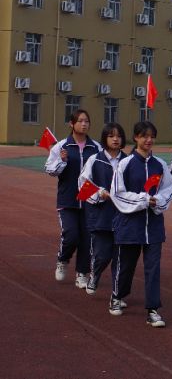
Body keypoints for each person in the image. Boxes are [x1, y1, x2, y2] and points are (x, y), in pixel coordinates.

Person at [109, 121, 172, 327]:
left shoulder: (160, 164)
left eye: (152, 136)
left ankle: (153, 309)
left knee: (153, 268)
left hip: (153, 225)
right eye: (144, 136)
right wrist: (143, 200)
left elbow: (169, 187)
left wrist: (159, 201)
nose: (149, 140)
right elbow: (117, 193)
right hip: (130, 223)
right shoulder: (125, 164)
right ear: (136, 138)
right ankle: (117, 295)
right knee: (126, 265)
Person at [45, 109, 101, 288]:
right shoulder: (62, 147)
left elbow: (102, 170)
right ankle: (63, 260)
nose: (84, 124)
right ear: (72, 124)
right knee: (71, 235)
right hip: (67, 199)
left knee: (87, 238)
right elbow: (50, 170)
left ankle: (82, 273)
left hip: (89, 200)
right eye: (80, 121)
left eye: (87, 121)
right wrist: (62, 161)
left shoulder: (96, 147)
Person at [77, 123, 126, 295]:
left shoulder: (127, 161)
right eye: (111, 135)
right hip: (101, 216)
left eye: (119, 136)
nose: (115, 139)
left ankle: (117, 294)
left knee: (121, 259)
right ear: (105, 138)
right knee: (102, 255)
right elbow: (83, 183)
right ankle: (95, 275)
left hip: (123, 216)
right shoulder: (95, 159)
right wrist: (99, 192)